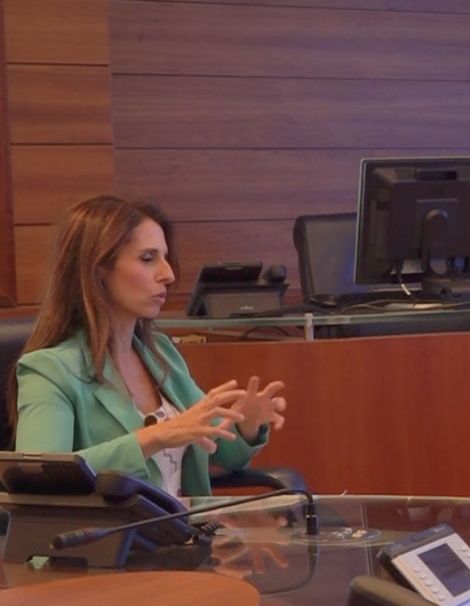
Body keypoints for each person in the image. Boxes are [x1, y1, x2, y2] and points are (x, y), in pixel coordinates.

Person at [11, 195, 287, 497]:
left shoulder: (161, 353)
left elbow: (217, 455)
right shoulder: (50, 370)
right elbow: (41, 477)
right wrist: (154, 437)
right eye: (147, 258)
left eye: (165, 257)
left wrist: (246, 423)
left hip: (184, 524)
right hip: (115, 529)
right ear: (98, 269)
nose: (168, 275)